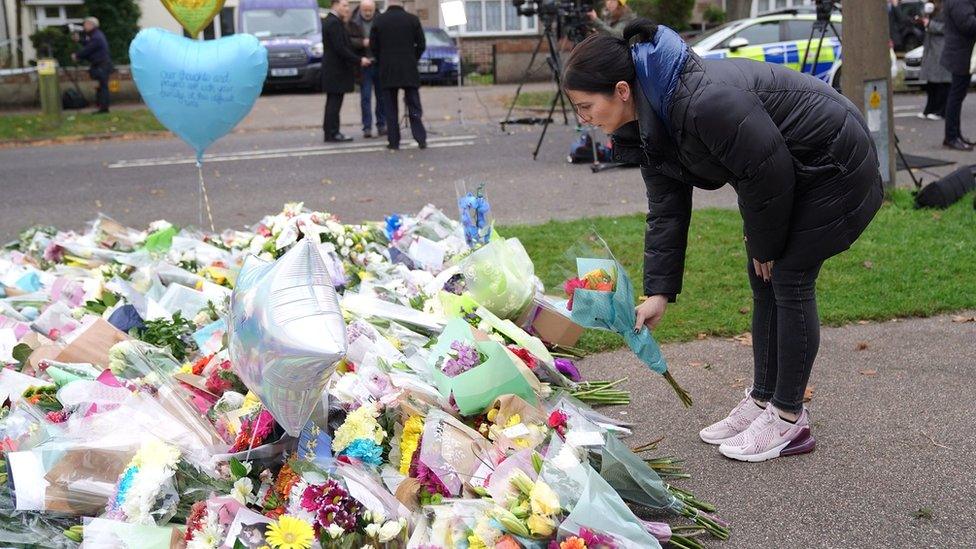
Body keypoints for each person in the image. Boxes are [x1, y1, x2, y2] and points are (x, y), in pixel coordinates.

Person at [562, 19, 883, 463]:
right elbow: (667, 209)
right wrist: (659, 292)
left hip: (833, 163)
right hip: (785, 173)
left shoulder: (699, 103)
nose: (583, 119)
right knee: (762, 278)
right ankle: (764, 399)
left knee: (787, 276)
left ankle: (789, 418)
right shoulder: (647, 121)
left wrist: (766, 244)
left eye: (585, 107)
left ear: (620, 90)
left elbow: (767, 172)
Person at [370, 0, 427, 150]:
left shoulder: (379, 20)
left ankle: (393, 141)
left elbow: (373, 46)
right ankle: (420, 138)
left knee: (390, 106)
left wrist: (382, 59)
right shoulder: (412, 19)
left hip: (388, 68)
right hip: (408, 67)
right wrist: (412, 58)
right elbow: (421, 44)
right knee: (413, 104)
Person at [322, 0, 371, 143]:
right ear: (335, 5)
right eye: (344, 5)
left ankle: (330, 132)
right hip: (336, 70)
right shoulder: (334, 23)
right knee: (334, 103)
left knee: (333, 102)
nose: (347, 9)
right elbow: (340, 48)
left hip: (333, 70)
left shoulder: (332, 21)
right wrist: (358, 60)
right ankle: (332, 133)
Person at [940, 0, 976, 150]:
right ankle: (951, 137)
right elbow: (968, 24)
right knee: (955, 97)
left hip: (961, 53)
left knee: (957, 96)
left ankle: (955, 135)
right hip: (960, 54)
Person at [349, 0, 386, 138]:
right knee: (365, 97)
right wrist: (361, 42)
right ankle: (367, 127)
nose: (368, 13)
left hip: (378, 63)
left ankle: (382, 125)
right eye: (365, 10)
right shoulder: (352, 21)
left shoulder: (381, 20)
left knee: (381, 97)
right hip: (364, 65)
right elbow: (348, 40)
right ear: (360, 9)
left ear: (374, 9)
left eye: (370, 10)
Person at [71, 17, 113, 114]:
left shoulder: (96, 37)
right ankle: (102, 107)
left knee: (103, 87)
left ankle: (103, 108)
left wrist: (77, 55)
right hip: (101, 64)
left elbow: (89, 49)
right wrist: (80, 40)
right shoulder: (96, 35)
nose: (84, 26)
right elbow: (89, 44)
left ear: (91, 25)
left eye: (86, 24)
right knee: (101, 87)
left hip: (102, 65)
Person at [920, 1, 952, 120]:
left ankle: (940, 110)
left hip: (940, 48)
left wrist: (930, 24)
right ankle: (930, 108)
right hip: (931, 48)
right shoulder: (931, 6)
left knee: (942, 82)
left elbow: (946, 27)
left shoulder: (946, 7)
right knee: (931, 83)